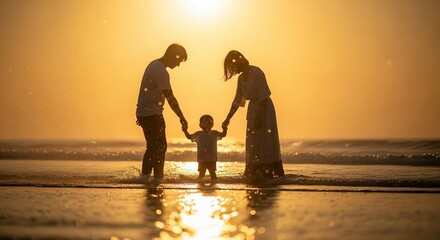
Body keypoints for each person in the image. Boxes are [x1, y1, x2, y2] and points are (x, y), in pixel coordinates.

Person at [221, 50, 285, 183]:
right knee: (253, 142)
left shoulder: (256, 72)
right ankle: (255, 172)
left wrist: (260, 117)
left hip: (264, 108)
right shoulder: (241, 78)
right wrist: (228, 118)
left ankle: (268, 172)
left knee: (265, 140)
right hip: (253, 109)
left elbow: (263, 96)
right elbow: (238, 100)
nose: (232, 70)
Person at [136, 43, 188, 181]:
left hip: (145, 112)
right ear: (173, 56)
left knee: (153, 147)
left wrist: (141, 113)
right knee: (159, 147)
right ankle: (156, 178)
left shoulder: (154, 64)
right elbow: (170, 97)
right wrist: (182, 118)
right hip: (151, 113)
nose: (178, 65)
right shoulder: (161, 71)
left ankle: (147, 177)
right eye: (179, 60)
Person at [182, 115, 227, 183]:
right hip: (202, 159)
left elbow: (223, 134)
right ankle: (201, 186)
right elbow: (189, 137)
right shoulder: (198, 134)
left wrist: (225, 128)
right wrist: (185, 131)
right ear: (200, 125)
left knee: (213, 174)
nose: (206, 126)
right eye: (204, 124)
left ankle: (213, 185)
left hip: (212, 159)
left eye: (208, 123)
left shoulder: (214, 133)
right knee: (201, 175)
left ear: (212, 125)